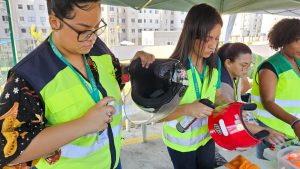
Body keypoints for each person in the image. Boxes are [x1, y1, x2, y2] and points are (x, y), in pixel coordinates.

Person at [0, 1, 154, 168]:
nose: (93, 37)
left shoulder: (97, 49)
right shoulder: (28, 77)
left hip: (113, 161)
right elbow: (7, 151)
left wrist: (135, 67)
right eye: (84, 30)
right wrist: (83, 125)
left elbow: (115, 78)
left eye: (96, 27)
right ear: (55, 22)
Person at [160, 4, 229, 169]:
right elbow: (159, 116)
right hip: (181, 143)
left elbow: (217, 95)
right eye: (208, 38)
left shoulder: (215, 62)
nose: (213, 45)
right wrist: (186, 109)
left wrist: (232, 108)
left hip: (207, 136)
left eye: (217, 38)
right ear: (192, 35)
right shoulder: (174, 69)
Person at [217, 42, 287, 145]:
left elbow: (245, 86)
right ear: (228, 63)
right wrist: (266, 131)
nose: (246, 69)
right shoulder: (224, 85)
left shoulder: (232, 74)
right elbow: (231, 120)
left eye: (249, 65)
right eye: (243, 65)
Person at [251, 18, 300, 160]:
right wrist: (295, 122)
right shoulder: (270, 67)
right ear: (285, 40)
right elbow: (268, 102)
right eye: (298, 40)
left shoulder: (297, 62)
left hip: (291, 131)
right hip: (271, 132)